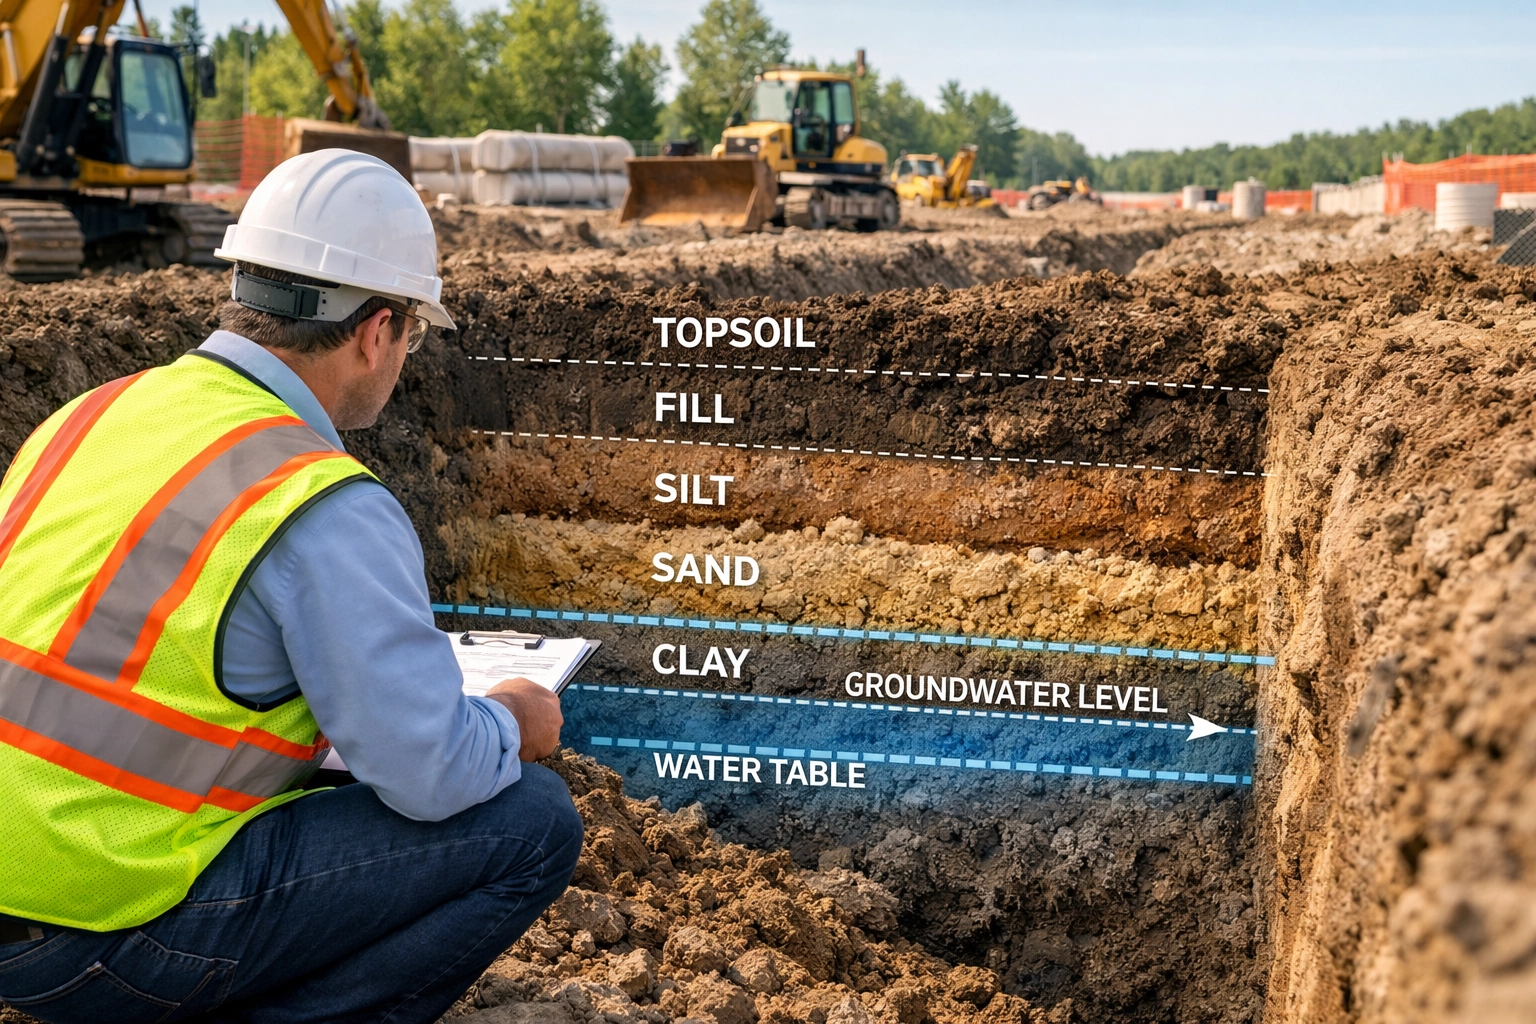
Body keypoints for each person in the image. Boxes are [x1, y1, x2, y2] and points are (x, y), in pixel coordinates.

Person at [0, 149, 581, 1023]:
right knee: (532, 819)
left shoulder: (94, 413)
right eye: (413, 335)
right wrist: (512, 718)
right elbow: (427, 772)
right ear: (377, 328)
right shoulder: (316, 498)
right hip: (97, 932)